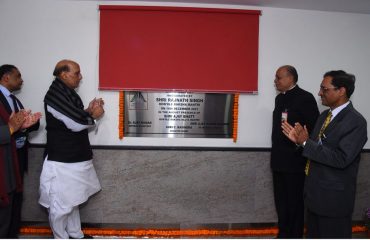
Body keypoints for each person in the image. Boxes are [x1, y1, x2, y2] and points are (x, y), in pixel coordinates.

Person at [282, 70, 368, 238]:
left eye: (324, 89)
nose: (319, 93)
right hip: (315, 197)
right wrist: (300, 142)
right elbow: (315, 150)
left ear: (341, 91)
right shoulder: (323, 116)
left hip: (334, 202)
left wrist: (306, 142)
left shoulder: (356, 122)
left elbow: (341, 158)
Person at [39, 59, 104, 239]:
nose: (80, 77)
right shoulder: (55, 95)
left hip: (74, 157)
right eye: (77, 73)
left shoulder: (66, 92)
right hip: (62, 160)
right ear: (63, 74)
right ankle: (60, 237)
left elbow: (72, 116)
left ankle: (76, 234)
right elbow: (74, 124)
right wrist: (95, 117)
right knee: (61, 205)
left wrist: (89, 111)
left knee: (73, 201)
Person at [271, 65, 319, 238]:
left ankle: (294, 236)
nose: (275, 81)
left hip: (295, 162)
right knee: (281, 204)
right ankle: (283, 234)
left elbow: (314, 129)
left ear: (291, 78)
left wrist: (301, 142)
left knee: (294, 204)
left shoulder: (305, 98)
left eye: (279, 78)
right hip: (278, 161)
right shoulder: (279, 99)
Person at [0, 64, 41, 238]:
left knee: (14, 209)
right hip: (3, 163)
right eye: (18, 76)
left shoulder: (14, 99)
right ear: (6, 77)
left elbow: (18, 126)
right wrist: (11, 128)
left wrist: (25, 126)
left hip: (15, 160)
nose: (21, 80)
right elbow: (9, 127)